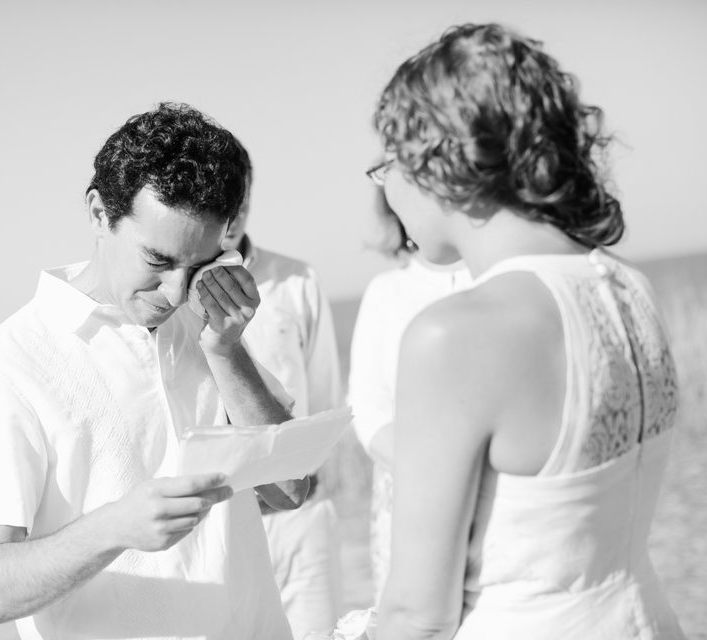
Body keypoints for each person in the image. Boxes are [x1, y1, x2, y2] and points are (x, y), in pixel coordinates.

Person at [369, 24, 686, 639]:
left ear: (435, 160)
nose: (386, 188)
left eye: (386, 165)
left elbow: (418, 615)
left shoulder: (455, 335)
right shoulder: (629, 289)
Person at [0, 102, 309, 640]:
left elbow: (290, 489)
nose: (175, 292)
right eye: (159, 262)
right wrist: (113, 528)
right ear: (98, 213)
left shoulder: (208, 326)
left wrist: (226, 351)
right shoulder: (2, 367)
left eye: (196, 266)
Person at [221, 140, 344, 639]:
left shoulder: (297, 279)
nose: (233, 216)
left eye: (241, 202)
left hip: (302, 520)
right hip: (225, 525)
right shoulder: (170, 296)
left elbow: (325, 396)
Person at [348, 190, 470, 599]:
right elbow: (367, 406)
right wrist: (436, 476)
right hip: (407, 492)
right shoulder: (386, 291)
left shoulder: (498, 278)